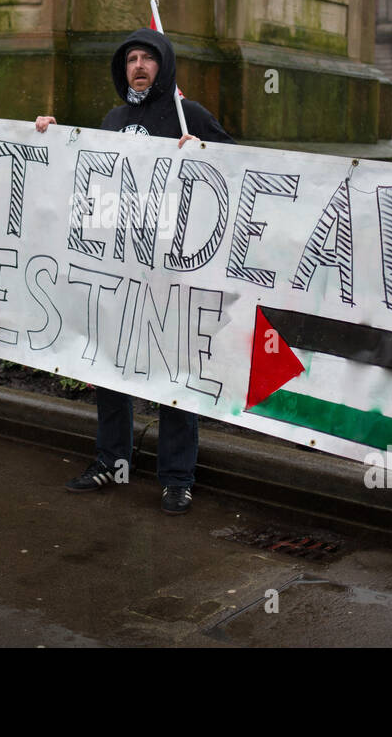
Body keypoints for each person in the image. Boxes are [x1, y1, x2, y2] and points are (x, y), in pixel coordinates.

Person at [35, 28, 233, 515]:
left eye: (148, 58)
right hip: (120, 269)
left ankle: (177, 477)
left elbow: (240, 167)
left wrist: (205, 153)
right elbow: (89, 171)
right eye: (131, 60)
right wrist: (54, 136)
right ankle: (111, 460)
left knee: (175, 367)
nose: (139, 66)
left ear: (163, 66)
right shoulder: (113, 118)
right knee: (112, 364)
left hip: (173, 271)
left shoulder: (191, 115)